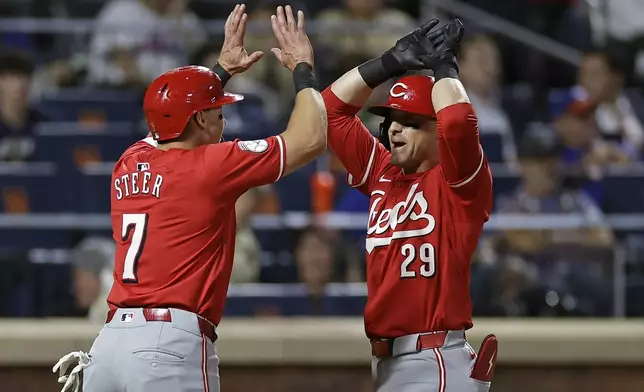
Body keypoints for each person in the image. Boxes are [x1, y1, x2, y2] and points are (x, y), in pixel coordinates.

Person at [52, 4, 326, 392]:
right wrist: (303, 68)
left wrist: (220, 72)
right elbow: (311, 139)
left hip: (109, 345)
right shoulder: (212, 163)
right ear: (199, 120)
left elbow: (169, 120)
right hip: (167, 346)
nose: (222, 117)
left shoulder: (129, 159)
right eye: (216, 110)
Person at [322, 19, 497, 391]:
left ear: (437, 131)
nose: (395, 130)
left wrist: (444, 67)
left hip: (435, 359)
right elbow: (330, 111)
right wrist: (388, 62)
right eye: (391, 121)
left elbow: (460, 122)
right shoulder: (384, 173)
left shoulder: (459, 180)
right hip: (390, 363)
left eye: (411, 121)